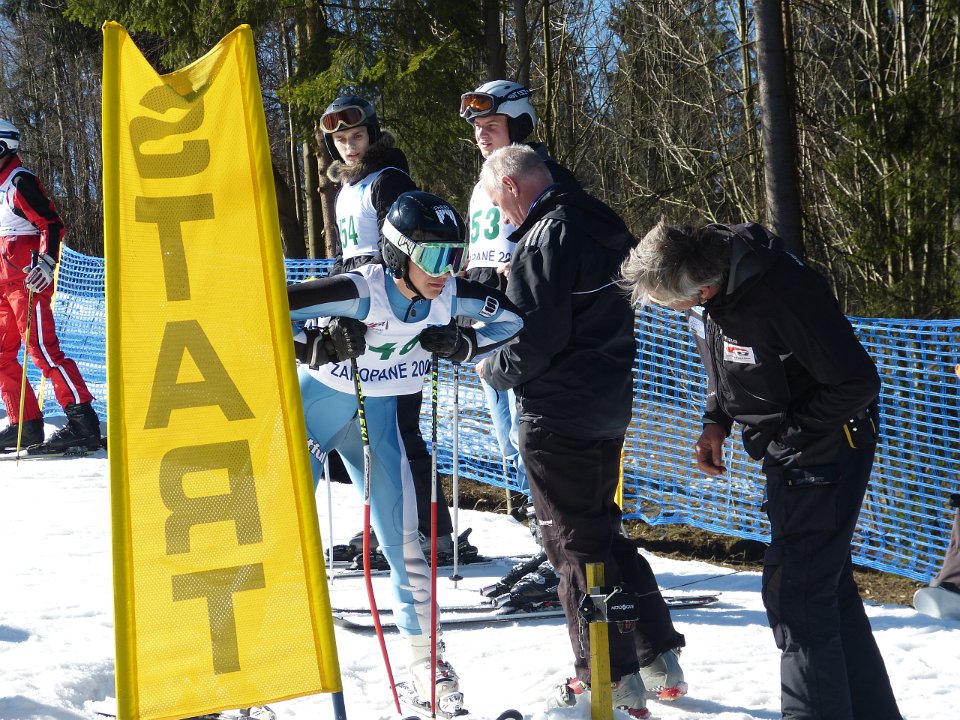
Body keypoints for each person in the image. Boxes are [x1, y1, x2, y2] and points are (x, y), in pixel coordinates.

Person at [619, 220, 903, 720]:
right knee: (825, 590)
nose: (674, 312)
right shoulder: (712, 295)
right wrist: (716, 420)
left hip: (825, 449)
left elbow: (856, 383)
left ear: (703, 288)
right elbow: (724, 359)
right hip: (788, 450)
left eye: (672, 304)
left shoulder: (782, 293)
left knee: (796, 597)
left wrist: (787, 435)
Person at [288, 191, 523, 713]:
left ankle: (424, 661)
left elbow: (512, 323)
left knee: (406, 547)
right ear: (398, 253)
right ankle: (253, 659)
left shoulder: (448, 295)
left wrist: (464, 346)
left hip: (377, 429)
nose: (446, 270)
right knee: (286, 538)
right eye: (434, 256)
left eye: (454, 255)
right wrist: (315, 344)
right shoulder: (359, 291)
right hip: (311, 421)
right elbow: (266, 307)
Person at [477, 145, 686, 718]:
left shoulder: (546, 236)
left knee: (571, 546)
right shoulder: (600, 220)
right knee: (601, 532)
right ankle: (656, 657)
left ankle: (606, 679)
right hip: (608, 402)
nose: (502, 217)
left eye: (498, 205)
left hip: (558, 412)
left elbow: (535, 340)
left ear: (513, 186)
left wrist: (488, 366)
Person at [318, 95, 461, 561]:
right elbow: (344, 256)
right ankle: (393, 525)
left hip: (392, 310)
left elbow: (402, 249)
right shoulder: (345, 188)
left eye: (357, 136)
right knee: (371, 431)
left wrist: (395, 306)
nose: (350, 146)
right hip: (361, 310)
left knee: (398, 427)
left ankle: (426, 531)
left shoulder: (387, 179)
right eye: (341, 139)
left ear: (373, 134)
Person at [458, 79, 579, 509]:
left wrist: (525, 267)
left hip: (524, 313)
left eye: (491, 125)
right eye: (477, 128)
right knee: (503, 427)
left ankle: (544, 507)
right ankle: (525, 503)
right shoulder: (482, 184)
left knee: (523, 422)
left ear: (519, 124)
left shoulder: (545, 176)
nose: (481, 135)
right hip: (486, 312)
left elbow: (566, 238)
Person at [0, 119, 101, 454]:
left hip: (26, 283)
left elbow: (51, 224)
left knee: (42, 350)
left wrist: (46, 261)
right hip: (3, 285)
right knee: (1, 355)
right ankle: (25, 425)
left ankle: (82, 424)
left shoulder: (19, 181)